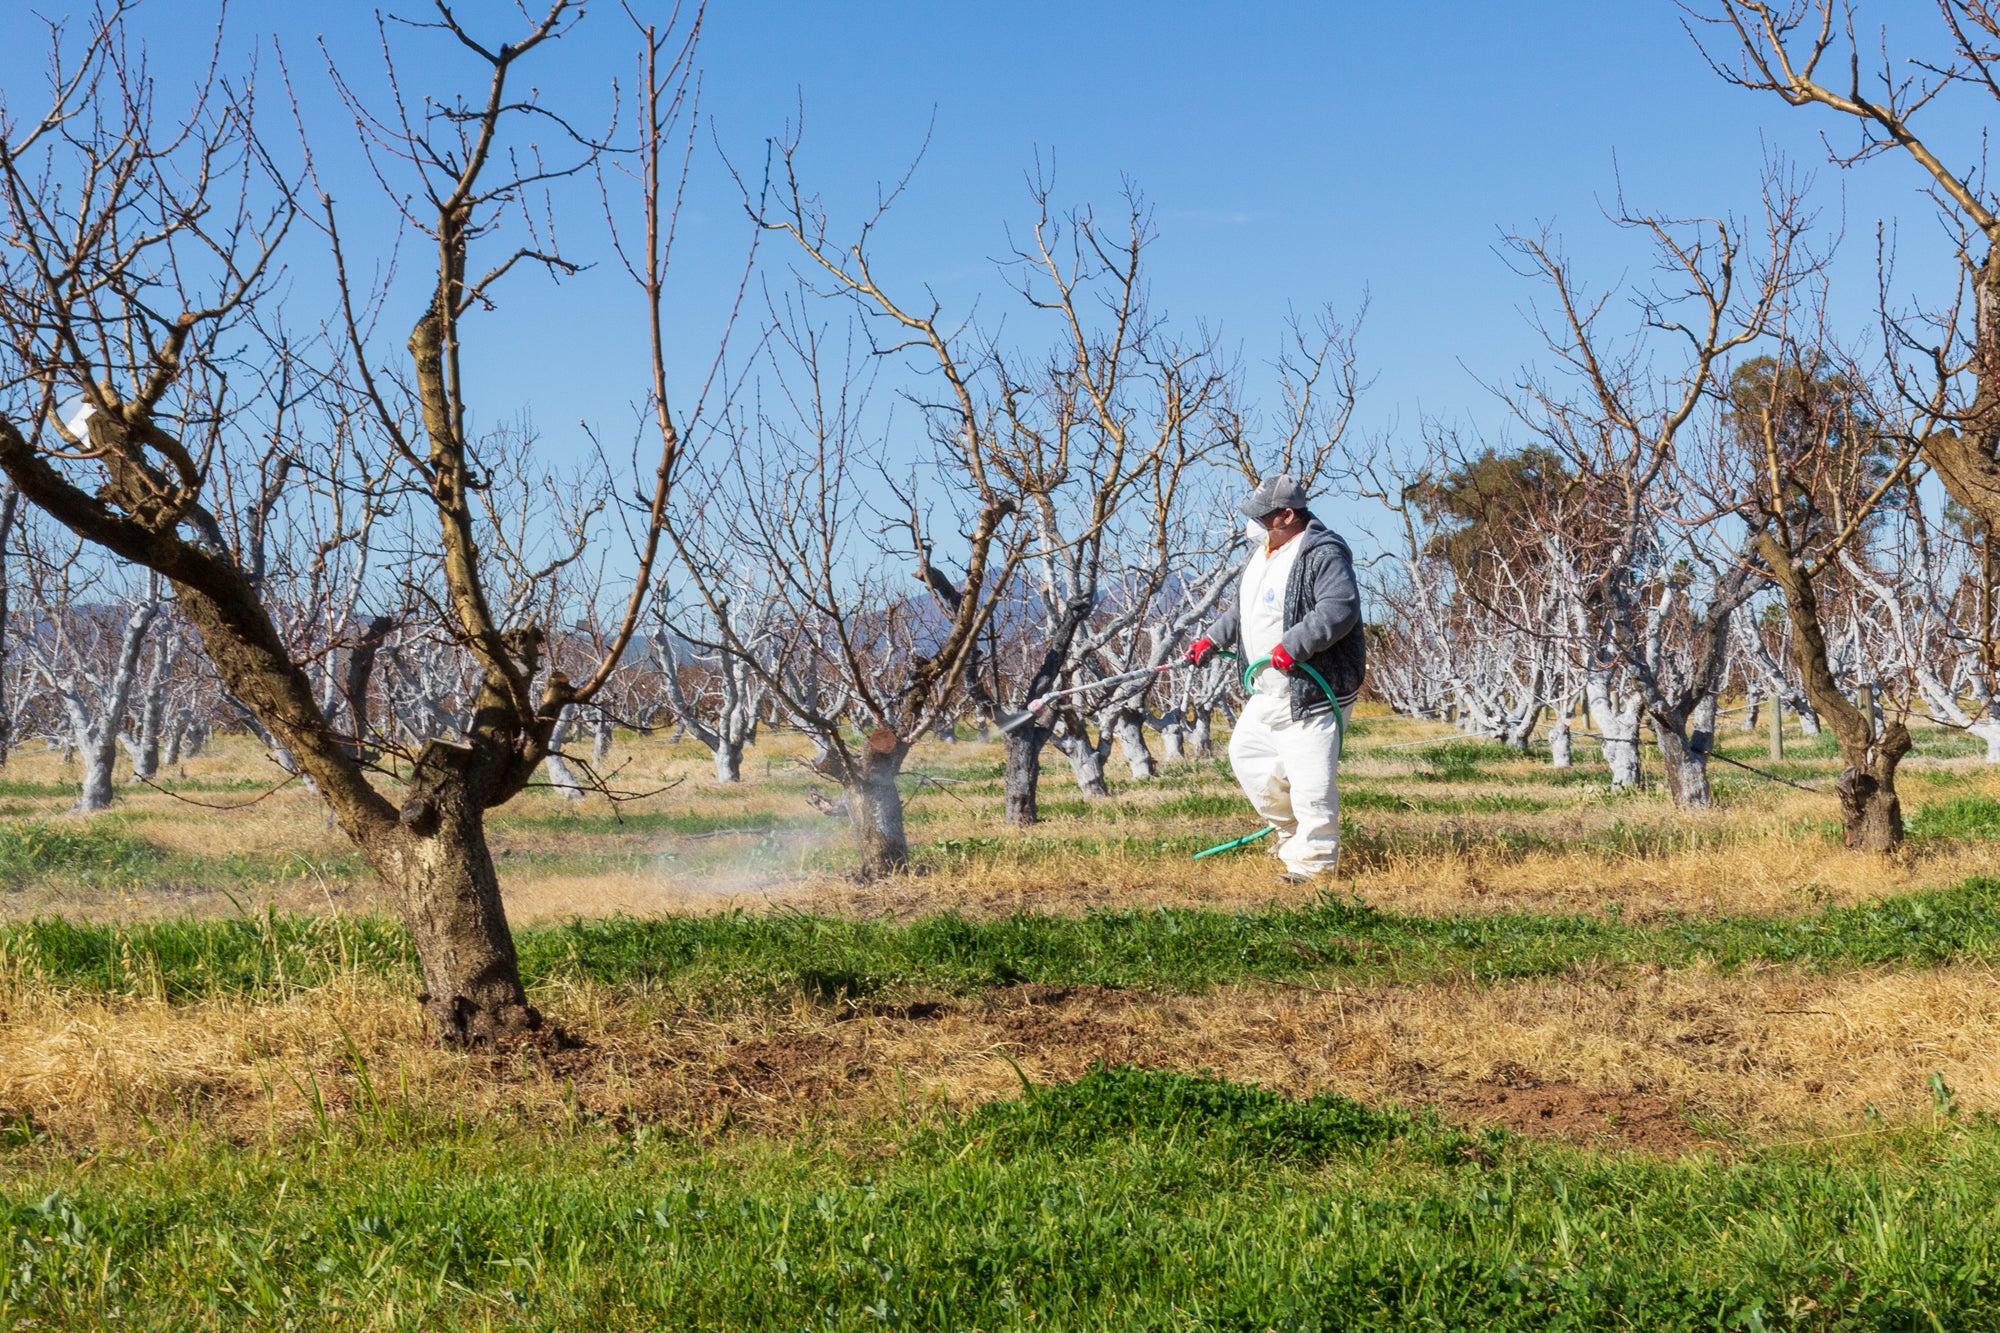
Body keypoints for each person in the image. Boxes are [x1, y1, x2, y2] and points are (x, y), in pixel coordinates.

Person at [1185, 474, 1365, 881]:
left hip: (1311, 685)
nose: (1257, 524)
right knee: (1248, 758)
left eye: (1264, 517)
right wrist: (1211, 639)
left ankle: (1314, 866)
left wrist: (1294, 645)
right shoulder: (1264, 553)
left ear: (1287, 514)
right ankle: (1290, 835)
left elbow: (1339, 608)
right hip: (1268, 686)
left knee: (1311, 782)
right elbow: (1243, 611)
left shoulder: (1322, 552)